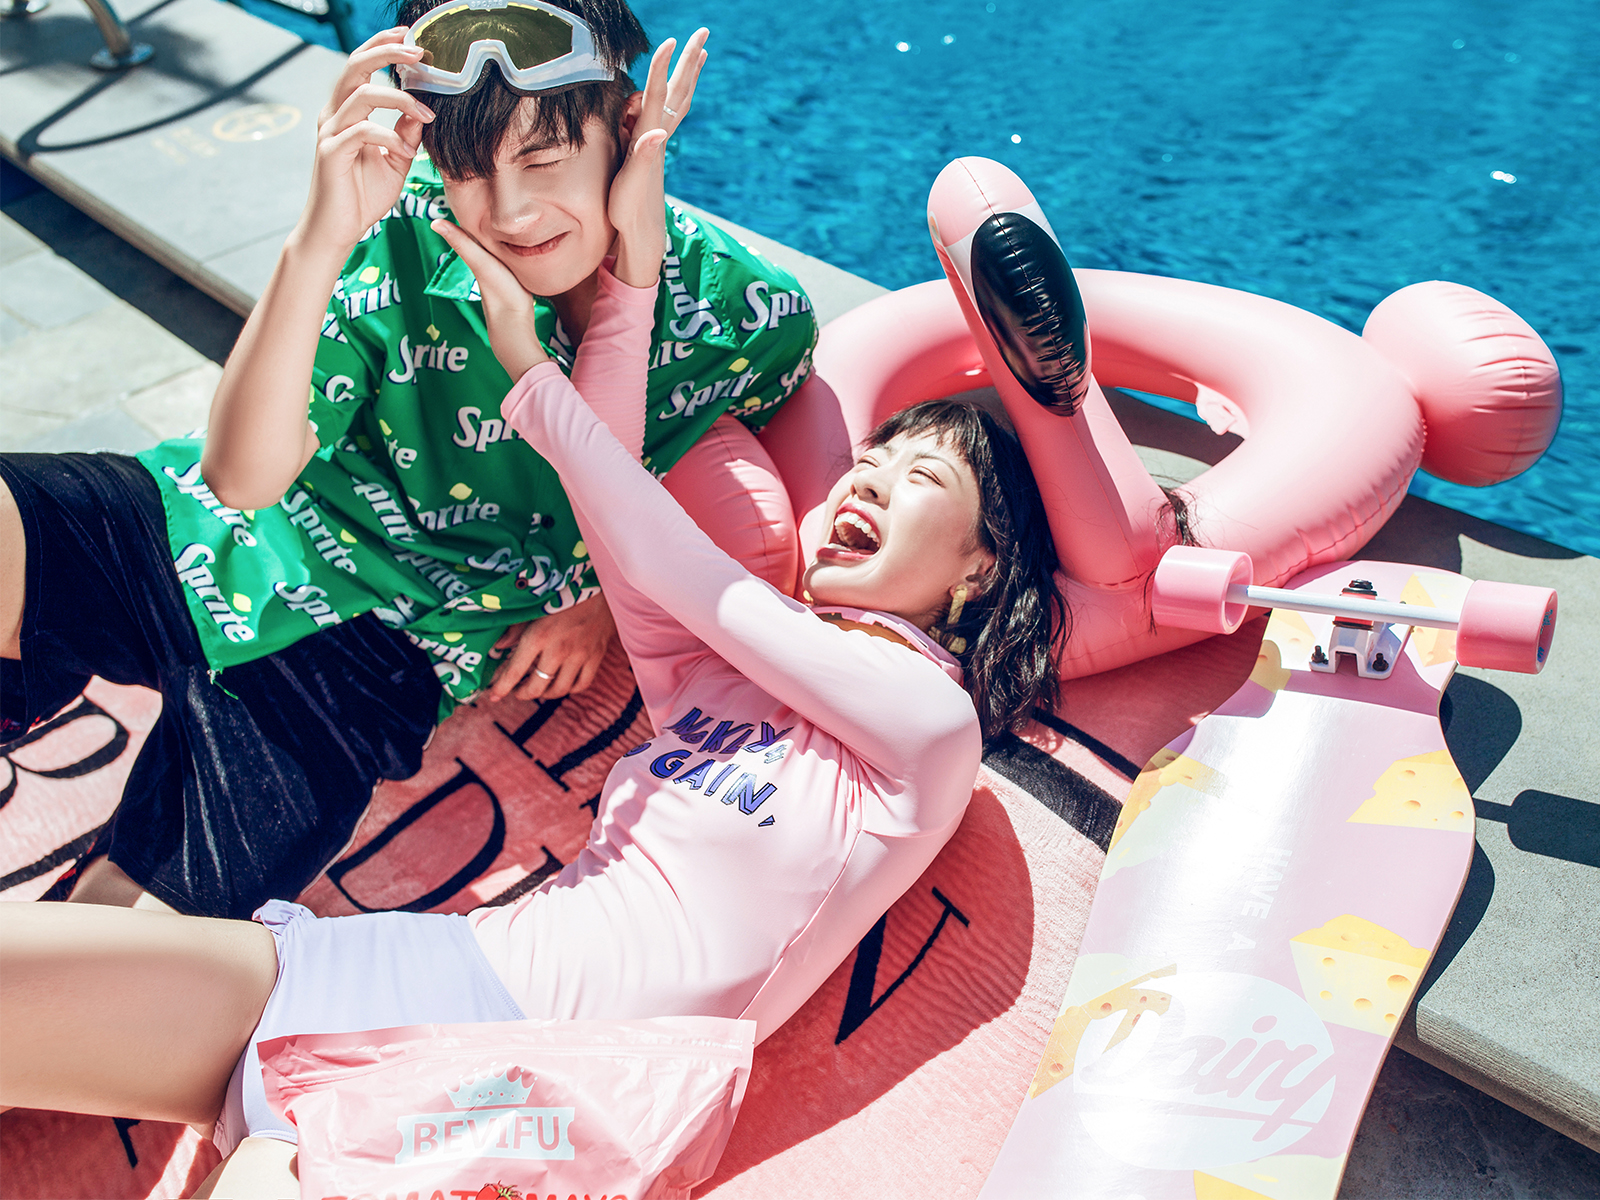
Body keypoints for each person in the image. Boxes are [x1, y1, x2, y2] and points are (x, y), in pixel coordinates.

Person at [0, 33, 1066, 1192]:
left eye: (920, 478)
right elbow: (624, 537)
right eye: (873, 463)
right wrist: (616, 277)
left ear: (980, 569)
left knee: (239, 1141)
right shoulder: (717, 685)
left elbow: (666, 560)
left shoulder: (926, 726)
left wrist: (532, 371)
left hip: (555, 1075)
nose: (865, 484)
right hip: (401, 964)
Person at [0, 0, 816, 920]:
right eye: (468, 171)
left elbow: (747, 470)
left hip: (382, 649)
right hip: (215, 524)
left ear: (627, 130)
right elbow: (241, 482)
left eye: (544, 159)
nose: (510, 212)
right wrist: (321, 235)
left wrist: (593, 598)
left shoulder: (745, 317)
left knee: (121, 953)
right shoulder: (408, 228)